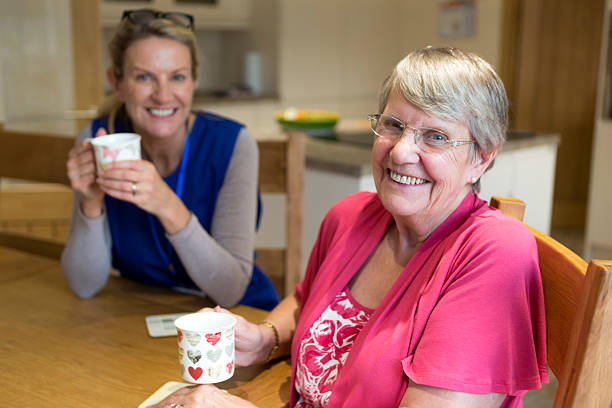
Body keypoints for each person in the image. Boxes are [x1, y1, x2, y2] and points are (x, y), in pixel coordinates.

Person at [149, 46, 548, 408]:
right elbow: (307, 302)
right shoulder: (352, 215)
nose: (401, 151)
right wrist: (266, 339)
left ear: (482, 157)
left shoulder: (495, 252)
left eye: (436, 136)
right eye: (393, 125)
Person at [61, 9, 279, 311]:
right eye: (144, 77)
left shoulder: (232, 145)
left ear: (193, 82)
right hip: (140, 314)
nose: (163, 96)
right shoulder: (100, 139)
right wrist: (91, 204)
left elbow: (230, 291)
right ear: (118, 83)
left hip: (235, 321)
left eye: (177, 77)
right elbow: (84, 285)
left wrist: (167, 205)